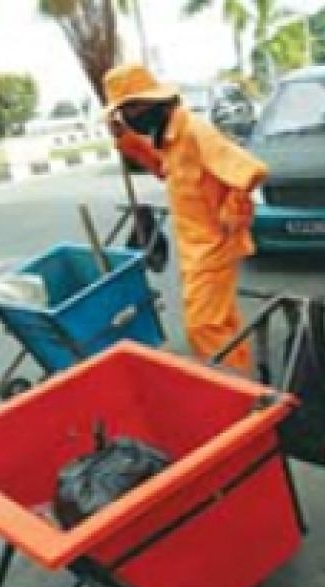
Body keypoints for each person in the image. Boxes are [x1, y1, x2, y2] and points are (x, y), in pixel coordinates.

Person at [103, 64, 268, 373]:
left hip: (213, 245)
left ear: (153, 102)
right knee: (222, 322)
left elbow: (250, 170)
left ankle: (232, 392)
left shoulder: (195, 130)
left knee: (202, 326)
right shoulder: (170, 138)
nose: (130, 116)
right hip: (194, 246)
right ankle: (244, 381)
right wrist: (127, 141)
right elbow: (162, 169)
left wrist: (234, 208)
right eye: (124, 111)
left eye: (132, 108)